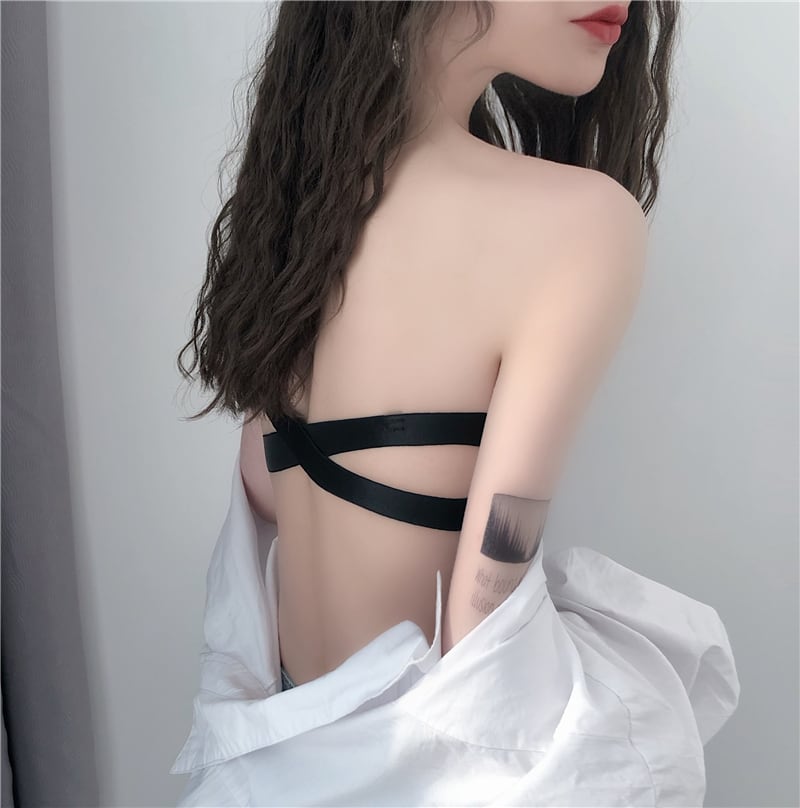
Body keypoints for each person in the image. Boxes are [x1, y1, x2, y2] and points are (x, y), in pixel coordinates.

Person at [172, 2, 740, 805]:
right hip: (428, 764)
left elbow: (264, 490)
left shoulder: (305, 193)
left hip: (278, 752)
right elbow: (484, 621)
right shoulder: (583, 222)